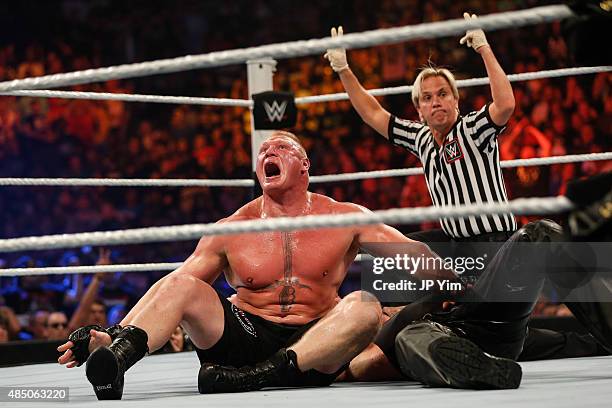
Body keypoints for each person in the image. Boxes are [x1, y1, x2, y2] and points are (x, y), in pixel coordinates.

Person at [56, 131, 459, 399]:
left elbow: (413, 255)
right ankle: (118, 359)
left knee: (366, 306)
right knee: (184, 283)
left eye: (281, 148)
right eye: (263, 151)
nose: (269, 152)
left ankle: (258, 379)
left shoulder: (345, 218)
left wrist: (460, 286)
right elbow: (174, 289)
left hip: (315, 342)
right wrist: (111, 332)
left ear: (304, 167)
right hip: (243, 336)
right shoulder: (231, 228)